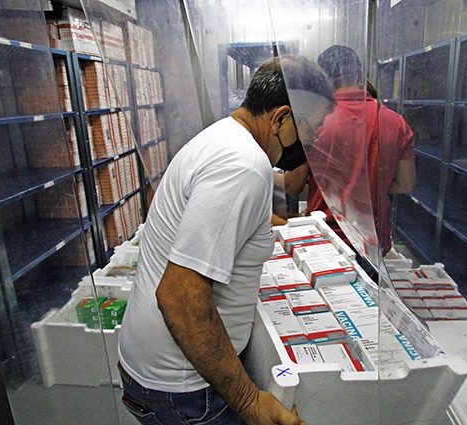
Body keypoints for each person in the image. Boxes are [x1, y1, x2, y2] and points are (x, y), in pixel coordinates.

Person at [117, 55, 334, 425]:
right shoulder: (243, 165)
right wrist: (250, 402)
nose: (312, 142)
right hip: (184, 388)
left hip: (160, 368)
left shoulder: (225, 138)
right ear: (281, 119)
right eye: (311, 129)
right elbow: (179, 296)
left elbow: (225, 220)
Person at [285, 45, 415, 261]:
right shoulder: (396, 122)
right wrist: (368, 186)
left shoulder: (315, 119)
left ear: (322, 79)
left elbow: (293, 185)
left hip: (327, 239)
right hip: (373, 242)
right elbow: (405, 183)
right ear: (360, 73)